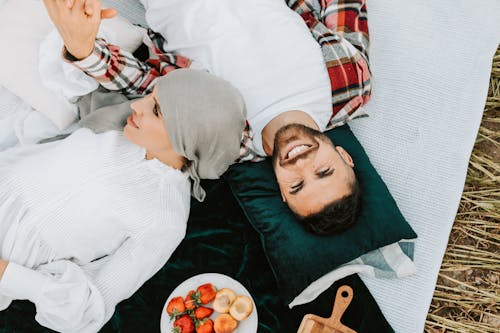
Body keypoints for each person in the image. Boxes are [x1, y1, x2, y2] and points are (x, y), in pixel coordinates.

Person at [47, 0, 371, 234]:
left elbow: (151, 87)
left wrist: (85, 52)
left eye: (298, 186)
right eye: (324, 171)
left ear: (283, 194)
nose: (302, 165)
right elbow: (343, 8)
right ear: (344, 156)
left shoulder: (227, 142)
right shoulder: (350, 89)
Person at [0, 62, 246, 332]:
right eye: (150, 95)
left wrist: (10, 275)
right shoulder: (118, 124)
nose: (136, 106)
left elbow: (90, 307)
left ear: (185, 140)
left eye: (155, 110)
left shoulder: (165, 220)